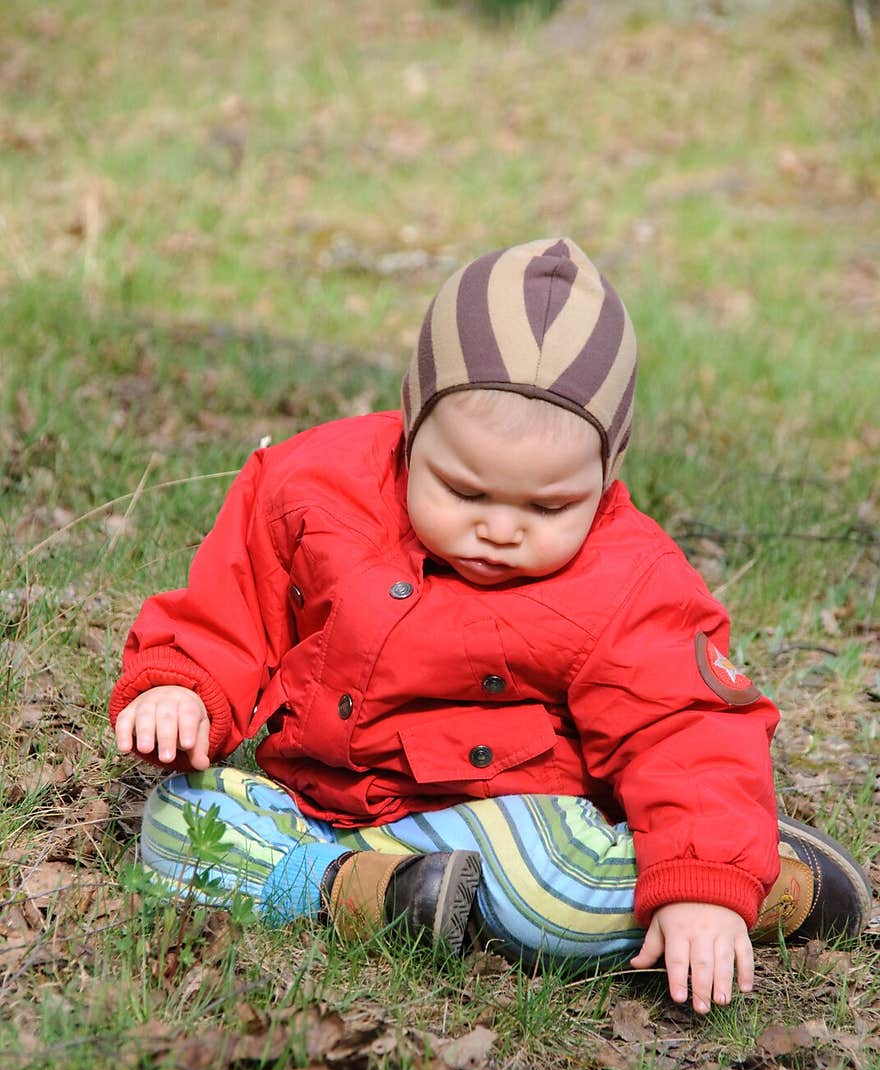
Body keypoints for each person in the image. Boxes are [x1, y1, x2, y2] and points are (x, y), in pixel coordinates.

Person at [109, 236, 872, 1014]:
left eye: (548, 508)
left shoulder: (629, 580)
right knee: (178, 822)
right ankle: (354, 892)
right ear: (411, 427)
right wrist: (182, 683)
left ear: (606, 475)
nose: (500, 529)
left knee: (549, 889)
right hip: (313, 811)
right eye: (463, 491)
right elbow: (232, 603)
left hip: (504, 828)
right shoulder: (312, 487)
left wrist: (704, 879)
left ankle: (751, 883)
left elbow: (685, 728)